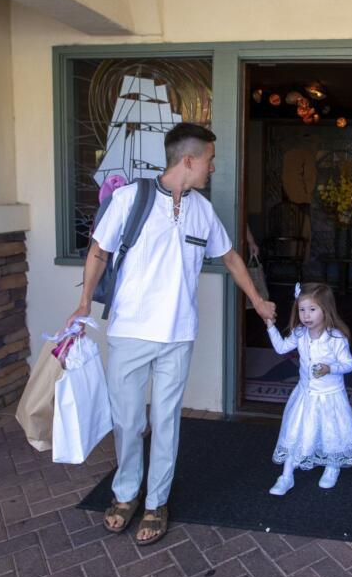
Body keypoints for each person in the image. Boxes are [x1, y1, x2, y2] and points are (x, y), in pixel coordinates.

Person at [68, 123, 276, 545]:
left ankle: (156, 501)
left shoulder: (201, 209)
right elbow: (98, 251)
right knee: (127, 421)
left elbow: (232, 257)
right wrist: (85, 302)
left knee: (166, 422)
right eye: (210, 160)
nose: (212, 168)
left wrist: (256, 300)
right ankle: (125, 494)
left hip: (179, 336)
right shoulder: (129, 199)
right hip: (130, 332)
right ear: (189, 160)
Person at [264, 282, 352, 495]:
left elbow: (349, 364)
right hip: (305, 394)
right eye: (302, 310)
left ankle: (332, 466)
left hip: (329, 396)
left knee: (330, 431)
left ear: (325, 310)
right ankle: (286, 475)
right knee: (295, 431)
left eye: (312, 309)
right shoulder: (300, 333)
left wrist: (330, 368)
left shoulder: (336, 338)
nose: (306, 315)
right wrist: (270, 326)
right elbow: (281, 347)